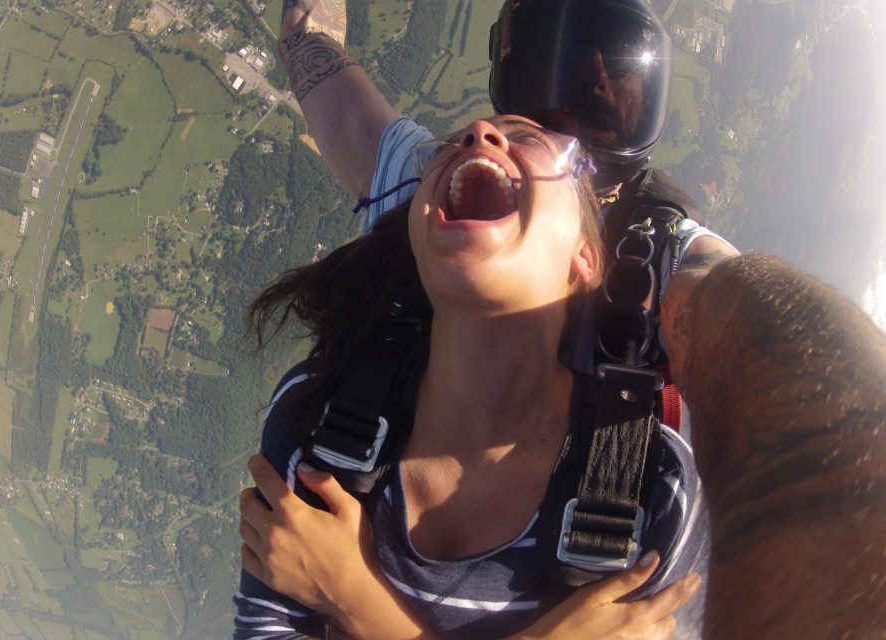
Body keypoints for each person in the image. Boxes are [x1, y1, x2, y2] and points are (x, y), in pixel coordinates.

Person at [234, 114, 728, 639]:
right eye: (456, 140)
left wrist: (356, 600)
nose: (477, 134)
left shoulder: (655, 489)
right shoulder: (319, 422)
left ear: (585, 257)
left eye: (529, 141)